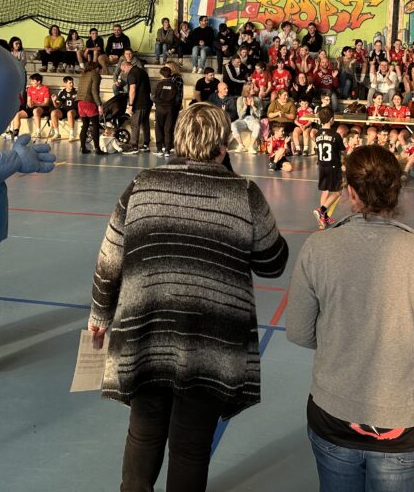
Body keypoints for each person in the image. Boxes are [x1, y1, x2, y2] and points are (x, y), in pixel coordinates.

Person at [87, 103, 287, 492]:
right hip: (211, 339)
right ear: (223, 146)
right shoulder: (244, 193)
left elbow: (110, 259)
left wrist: (99, 315)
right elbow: (273, 262)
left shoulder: (141, 184)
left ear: (178, 139)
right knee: (191, 447)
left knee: (143, 431)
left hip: (146, 332)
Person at [287, 145, 414, 492]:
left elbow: (300, 332)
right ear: (397, 190)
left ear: (350, 192)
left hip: (334, 416)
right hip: (404, 425)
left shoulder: (318, 248)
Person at [313, 106, 344, 229]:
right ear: (332, 119)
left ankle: (324, 217)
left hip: (322, 166)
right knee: (337, 192)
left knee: (325, 190)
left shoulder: (317, 134)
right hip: (333, 167)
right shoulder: (336, 135)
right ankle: (321, 210)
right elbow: (342, 151)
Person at [121, 59, 152, 153]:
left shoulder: (132, 74)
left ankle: (134, 146)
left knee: (135, 124)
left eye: (123, 70)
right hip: (147, 102)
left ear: (126, 66)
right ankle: (146, 144)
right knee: (145, 124)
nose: (123, 72)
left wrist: (130, 104)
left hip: (139, 103)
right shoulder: (142, 71)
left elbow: (132, 89)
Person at [153, 66, 183, 156]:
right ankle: (167, 150)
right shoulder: (174, 85)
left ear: (161, 75)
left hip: (159, 108)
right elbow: (177, 99)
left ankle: (159, 149)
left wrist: (158, 102)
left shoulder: (158, 84)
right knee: (168, 129)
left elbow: (153, 97)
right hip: (170, 109)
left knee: (158, 128)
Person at [10, 73, 51, 139]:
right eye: (31, 81)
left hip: (42, 107)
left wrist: (36, 104)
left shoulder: (45, 89)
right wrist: (30, 104)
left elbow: (46, 103)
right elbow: (29, 101)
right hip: (32, 107)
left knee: (35, 111)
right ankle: (16, 133)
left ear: (39, 81)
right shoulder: (30, 88)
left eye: (33, 81)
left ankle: (38, 132)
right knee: (17, 114)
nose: (31, 82)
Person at [76, 61, 105, 154]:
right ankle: (97, 149)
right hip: (89, 102)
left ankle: (83, 148)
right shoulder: (95, 75)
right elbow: (94, 91)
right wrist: (99, 105)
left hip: (80, 102)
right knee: (95, 125)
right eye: (99, 69)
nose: (100, 71)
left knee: (85, 125)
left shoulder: (83, 75)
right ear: (96, 68)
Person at [232, 83, 263, 153]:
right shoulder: (240, 99)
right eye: (252, 88)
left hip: (252, 119)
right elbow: (240, 116)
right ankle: (241, 145)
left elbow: (259, 114)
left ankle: (251, 147)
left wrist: (253, 106)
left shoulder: (257, 99)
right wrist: (245, 107)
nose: (254, 89)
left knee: (257, 126)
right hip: (243, 119)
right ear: (247, 90)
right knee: (233, 125)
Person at [49, 76, 79, 142]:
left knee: (70, 113)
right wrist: (54, 101)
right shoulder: (62, 92)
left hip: (74, 110)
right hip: (64, 110)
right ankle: (57, 134)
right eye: (70, 83)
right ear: (65, 83)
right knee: (53, 113)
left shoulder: (76, 91)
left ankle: (71, 135)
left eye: (72, 83)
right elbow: (57, 106)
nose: (72, 84)